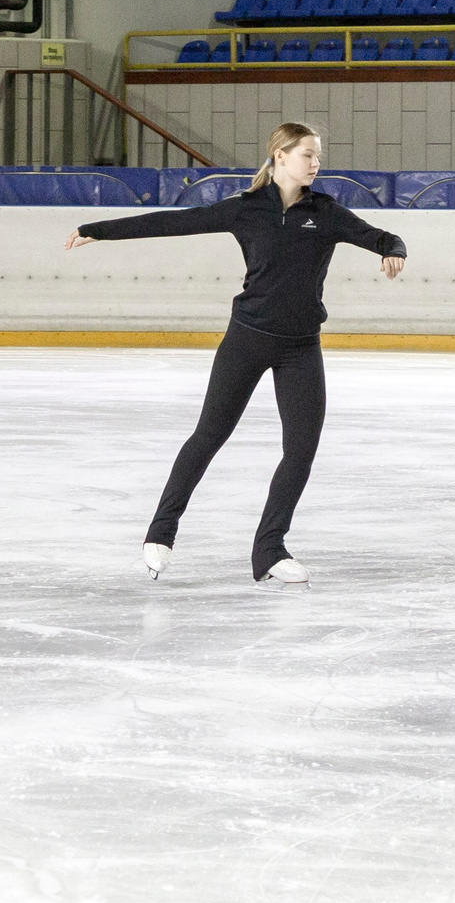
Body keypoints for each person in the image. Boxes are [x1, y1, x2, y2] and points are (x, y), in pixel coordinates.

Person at [66, 121, 407, 585]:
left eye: (318, 156)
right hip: (246, 340)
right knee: (209, 435)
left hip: (301, 347)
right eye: (307, 154)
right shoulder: (246, 211)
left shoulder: (326, 213)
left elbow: (381, 237)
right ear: (280, 155)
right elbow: (173, 222)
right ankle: (161, 532)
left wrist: (394, 251)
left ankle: (269, 549)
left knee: (301, 450)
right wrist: (98, 230)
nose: (315, 163)